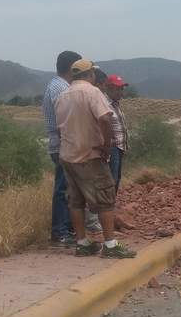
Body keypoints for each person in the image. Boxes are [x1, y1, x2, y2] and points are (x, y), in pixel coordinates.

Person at [55, 59, 136, 259]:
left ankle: (82, 243)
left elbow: (60, 128)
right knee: (105, 198)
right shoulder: (92, 92)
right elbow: (105, 118)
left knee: (75, 202)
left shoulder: (62, 96)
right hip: (90, 156)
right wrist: (106, 146)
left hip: (68, 156)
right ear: (90, 74)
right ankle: (110, 245)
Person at [42, 50, 82, 246]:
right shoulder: (60, 89)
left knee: (67, 188)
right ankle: (60, 231)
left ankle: (65, 228)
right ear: (72, 68)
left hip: (62, 144)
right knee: (63, 189)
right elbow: (63, 121)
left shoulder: (58, 85)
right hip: (63, 145)